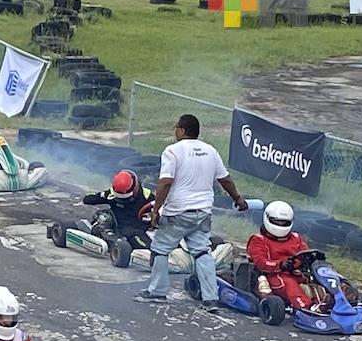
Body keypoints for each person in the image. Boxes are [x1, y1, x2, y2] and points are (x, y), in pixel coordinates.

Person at [136, 114, 247, 312]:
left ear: (182, 130)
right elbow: (225, 179)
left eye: (176, 127)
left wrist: (155, 210)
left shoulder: (172, 151)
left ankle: (157, 292)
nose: (174, 130)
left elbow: (165, 182)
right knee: (202, 252)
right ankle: (210, 298)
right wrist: (237, 199)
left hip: (178, 212)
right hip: (203, 212)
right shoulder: (210, 151)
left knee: (160, 249)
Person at [246, 201, 325, 312]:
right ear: (267, 218)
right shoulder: (258, 240)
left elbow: (305, 254)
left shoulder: (296, 238)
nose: (281, 225)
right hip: (274, 276)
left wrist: (309, 261)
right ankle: (307, 308)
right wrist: (280, 264)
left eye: (284, 223)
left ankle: (339, 302)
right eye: (277, 222)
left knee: (323, 279)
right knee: (289, 284)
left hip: (297, 274)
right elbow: (261, 263)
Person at [82, 170, 155, 250]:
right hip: (119, 227)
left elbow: (158, 213)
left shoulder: (147, 197)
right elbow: (87, 199)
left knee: (150, 247)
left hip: (138, 228)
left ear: (135, 188)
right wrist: (102, 196)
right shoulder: (111, 194)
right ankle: (102, 232)